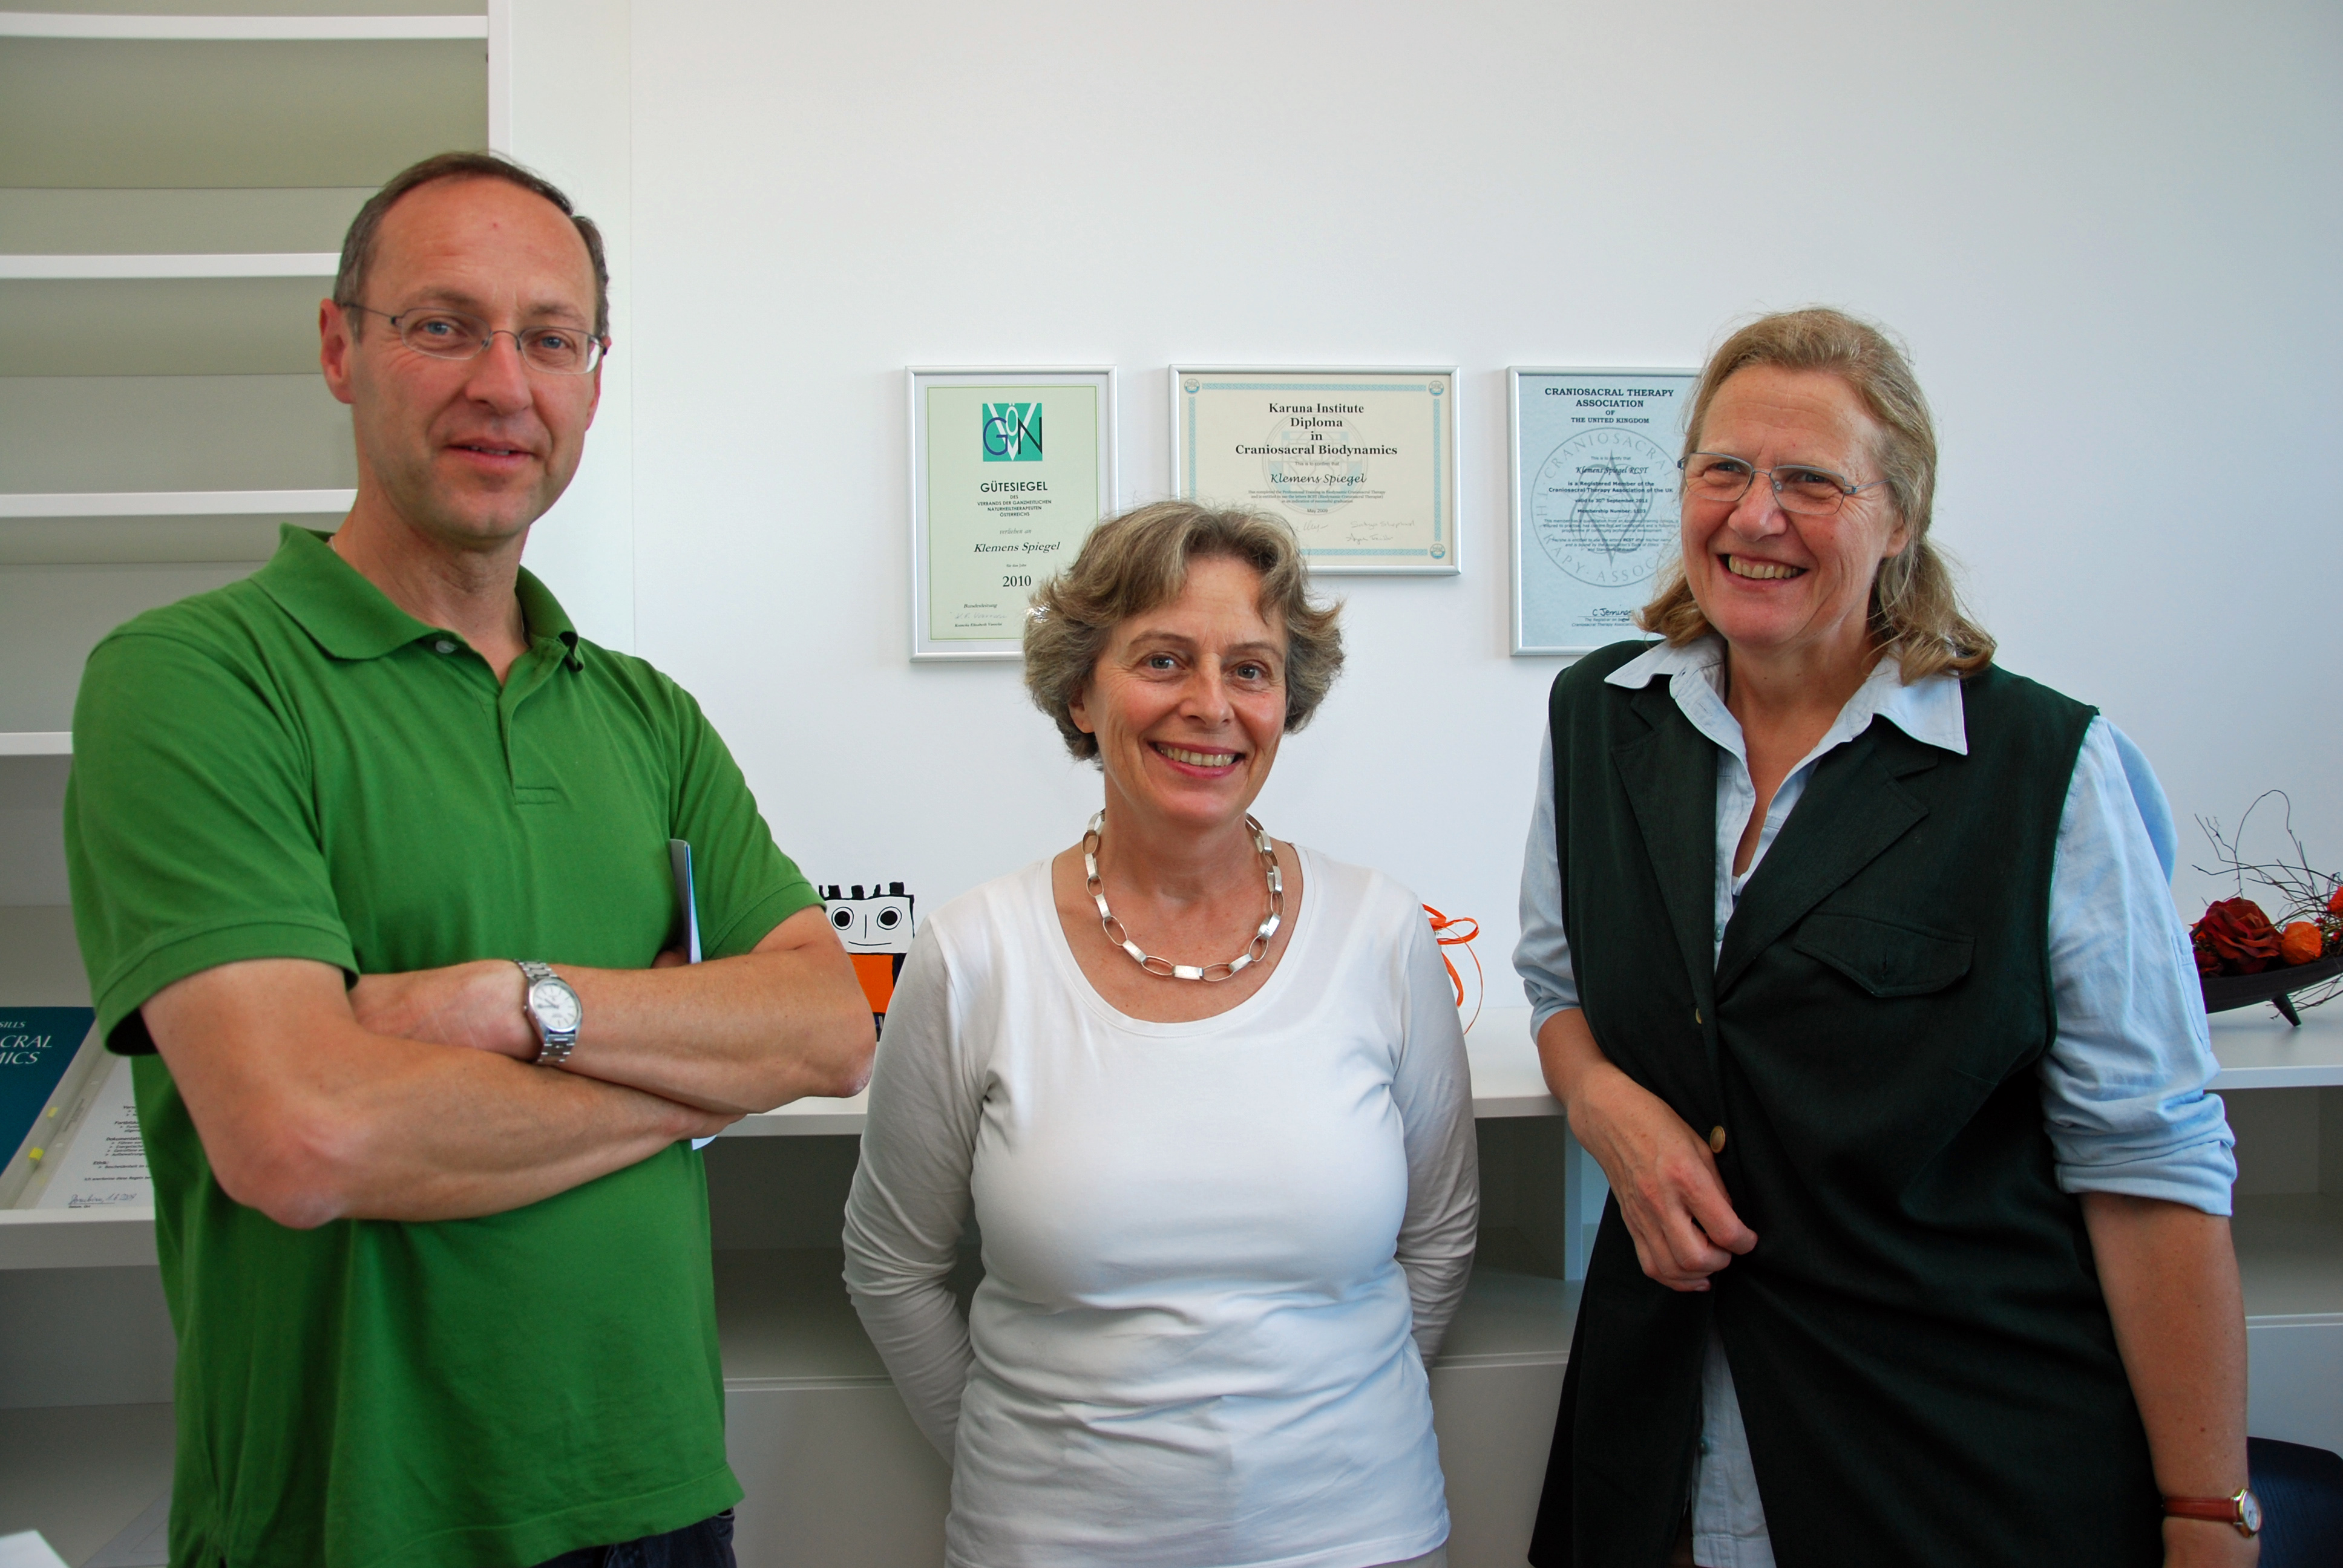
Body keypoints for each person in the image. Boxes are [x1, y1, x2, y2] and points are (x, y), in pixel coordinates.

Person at [64, 152, 874, 1568]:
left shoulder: (644, 714)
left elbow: (825, 1023)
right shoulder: (196, 682)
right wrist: (691, 1080)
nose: (504, 383)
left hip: (661, 1498)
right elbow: (303, 1136)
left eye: (551, 339)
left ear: (593, 383)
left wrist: (512, 1004)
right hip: (353, 1522)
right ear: (340, 348)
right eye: (444, 325)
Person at [1515, 308, 2254, 1568]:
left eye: (1812, 482)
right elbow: (1556, 982)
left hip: (1953, 1460)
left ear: (1900, 518)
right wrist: (1602, 1103)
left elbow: (2147, 1161)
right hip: (1660, 1452)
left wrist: (2205, 1514)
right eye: (1724, 469)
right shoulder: (1600, 718)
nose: (1756, 515)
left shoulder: (2044, 769)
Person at [842, 502, 1480, 1568]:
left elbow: (1442, 1239)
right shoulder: (974, 954)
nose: (1210, 705)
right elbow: (889, 1268)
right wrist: (1026, 1476)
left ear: (1286, 703)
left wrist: (1327, 1451)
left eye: (1251, 669)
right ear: (1081, 693)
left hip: (1361, 1537)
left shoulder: (1381, 936)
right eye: (1163, 660)